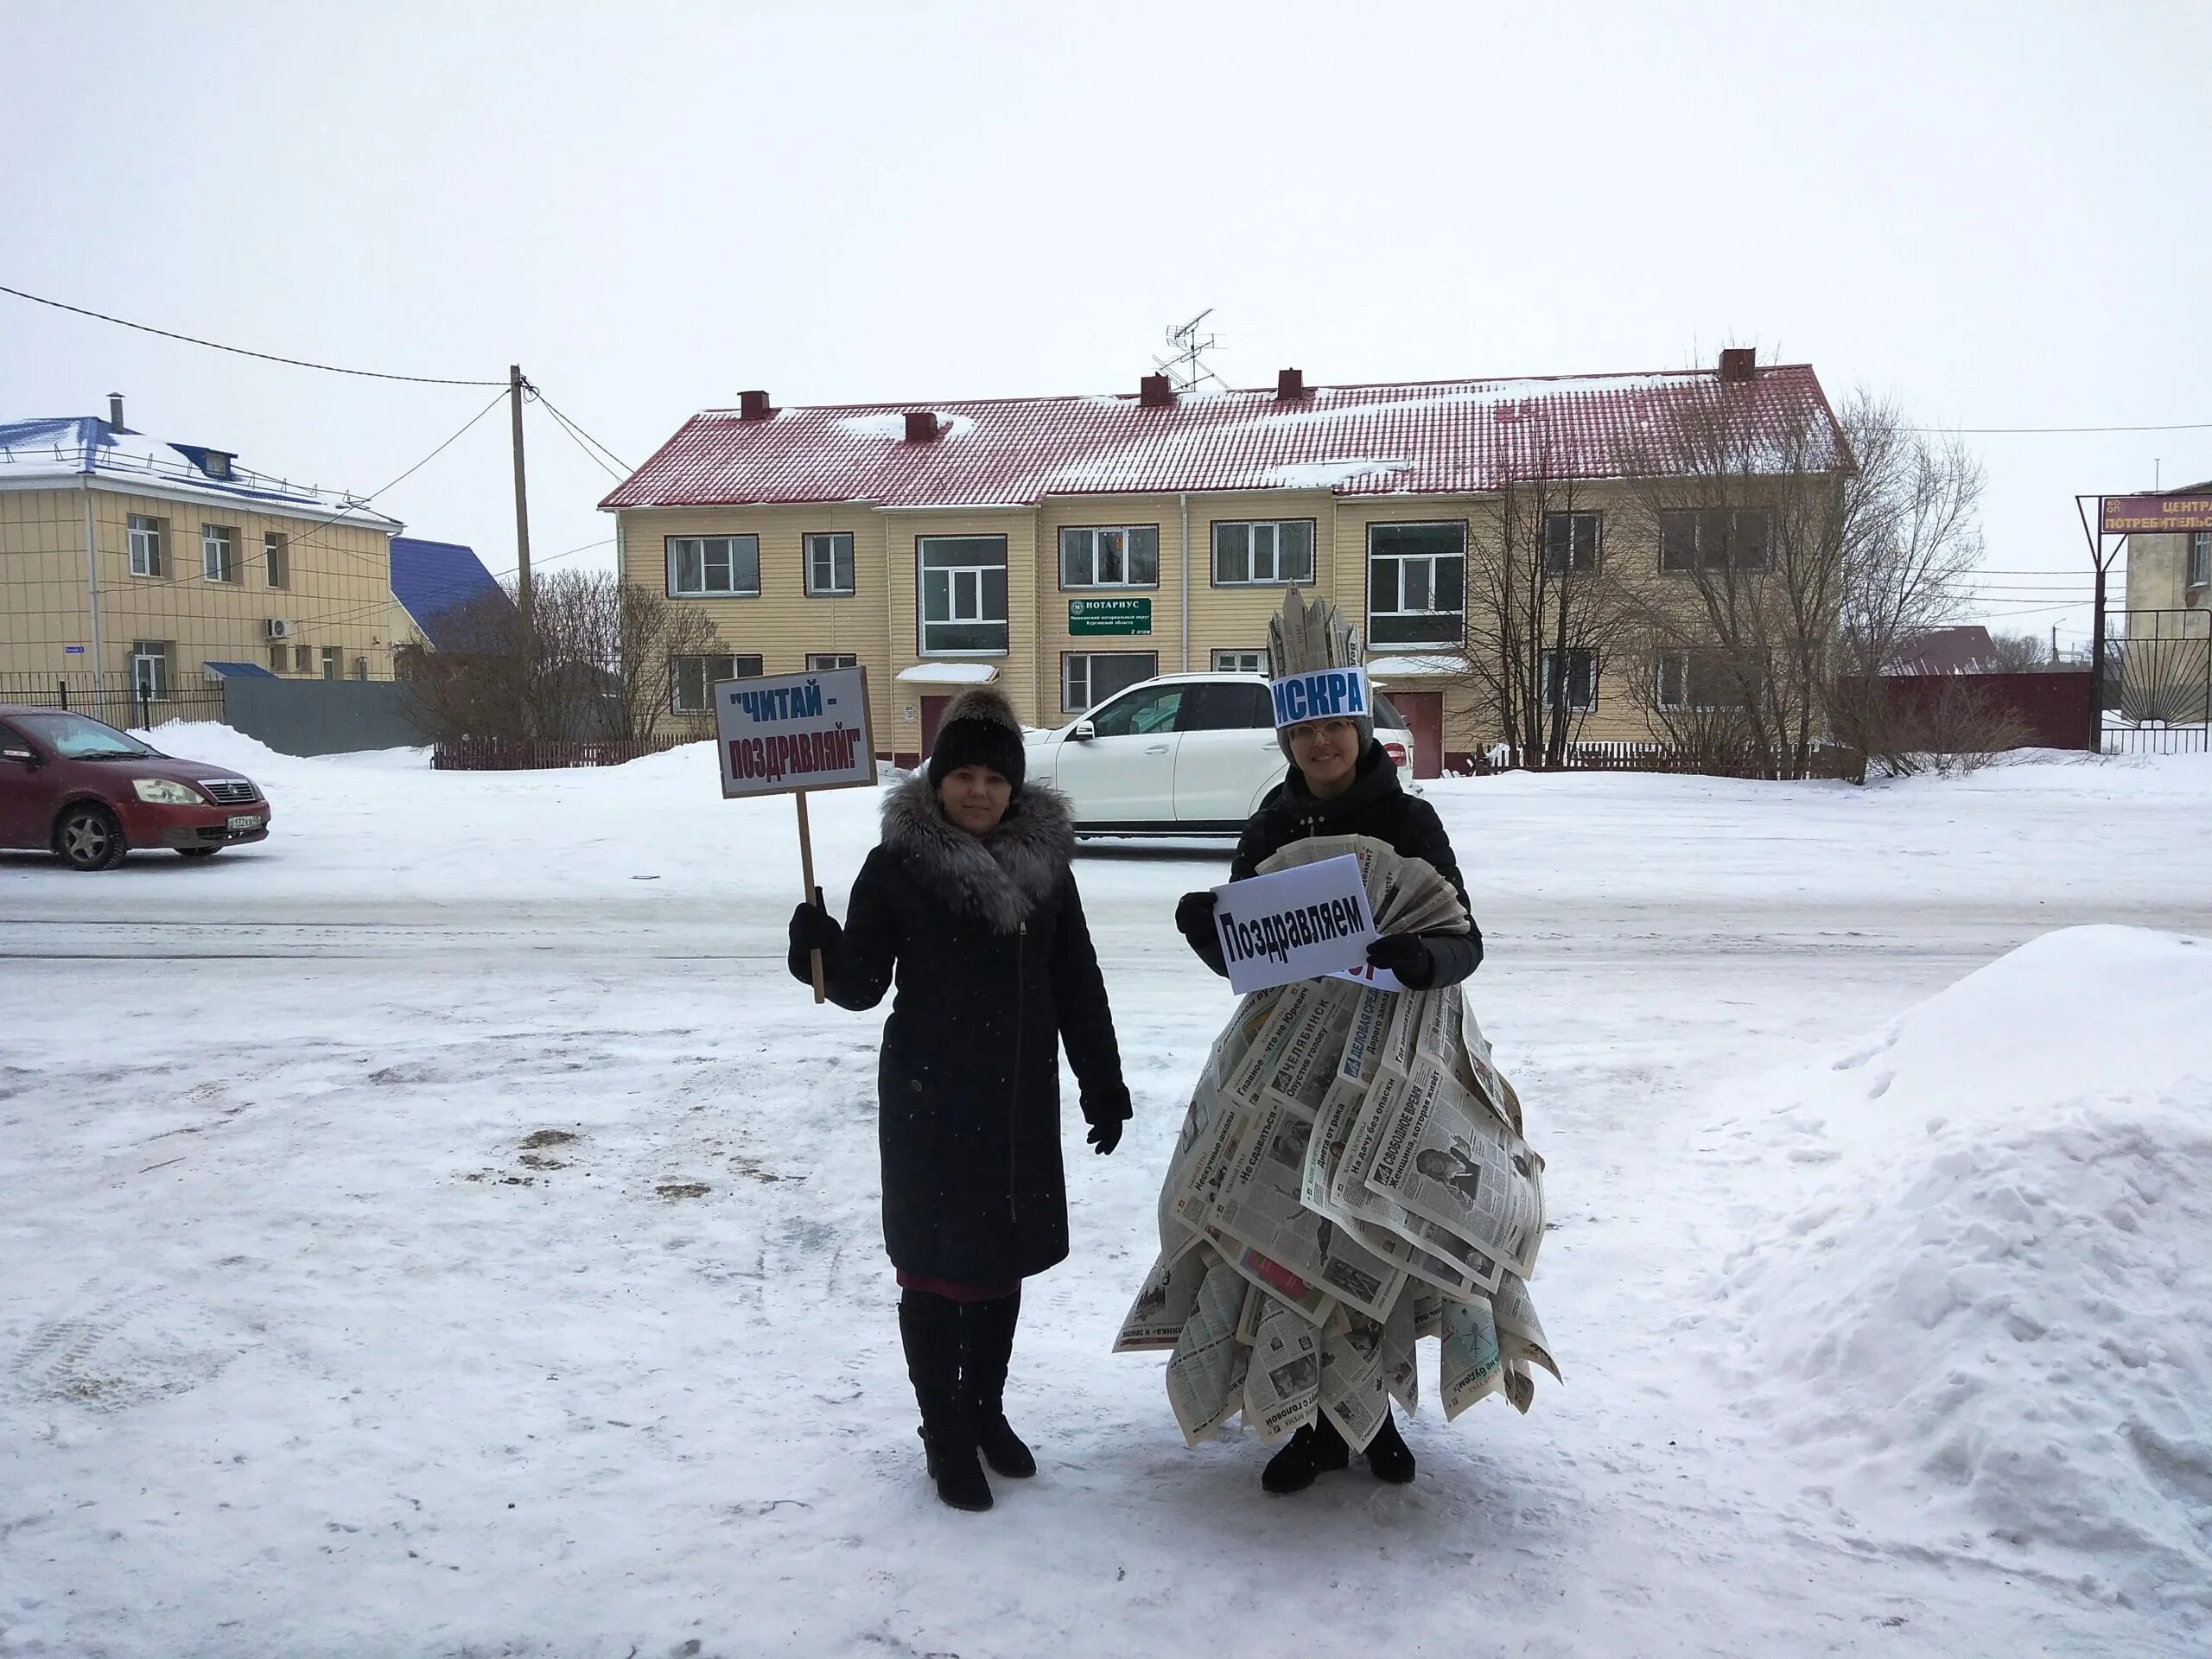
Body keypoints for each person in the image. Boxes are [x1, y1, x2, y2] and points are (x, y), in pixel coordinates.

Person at [787, 685, 1131, 1513]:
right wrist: (817, 954)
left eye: (994, 777)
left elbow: (1075, 980)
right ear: (938, 780)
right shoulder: (899, 865)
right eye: (963, 774)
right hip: (929, 1102)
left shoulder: (1047, 872)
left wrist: (1103, 1083)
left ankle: (985, 1408)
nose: (978, 791)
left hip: (1016, 1100)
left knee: (1001, 1264)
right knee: (939, 1272)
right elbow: (864, 983)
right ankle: (943, 1428)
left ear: (1015, 786)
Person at [1171, 700, 1484, 1495]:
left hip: (1393, 1062)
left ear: (1362, 734)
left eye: (1333, 727)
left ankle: (1372, 1420)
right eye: (1303, 732)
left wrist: (1417, 957)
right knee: (1293, 1244)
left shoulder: (1410, 822)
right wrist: (1209, 931)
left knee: (1375, 1237)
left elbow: (1464, 943)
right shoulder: (1270, 826)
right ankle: (1305, 1424)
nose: (1320, 743)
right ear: (1287, 742)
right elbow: (1249, 955)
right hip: (1290, 1066)